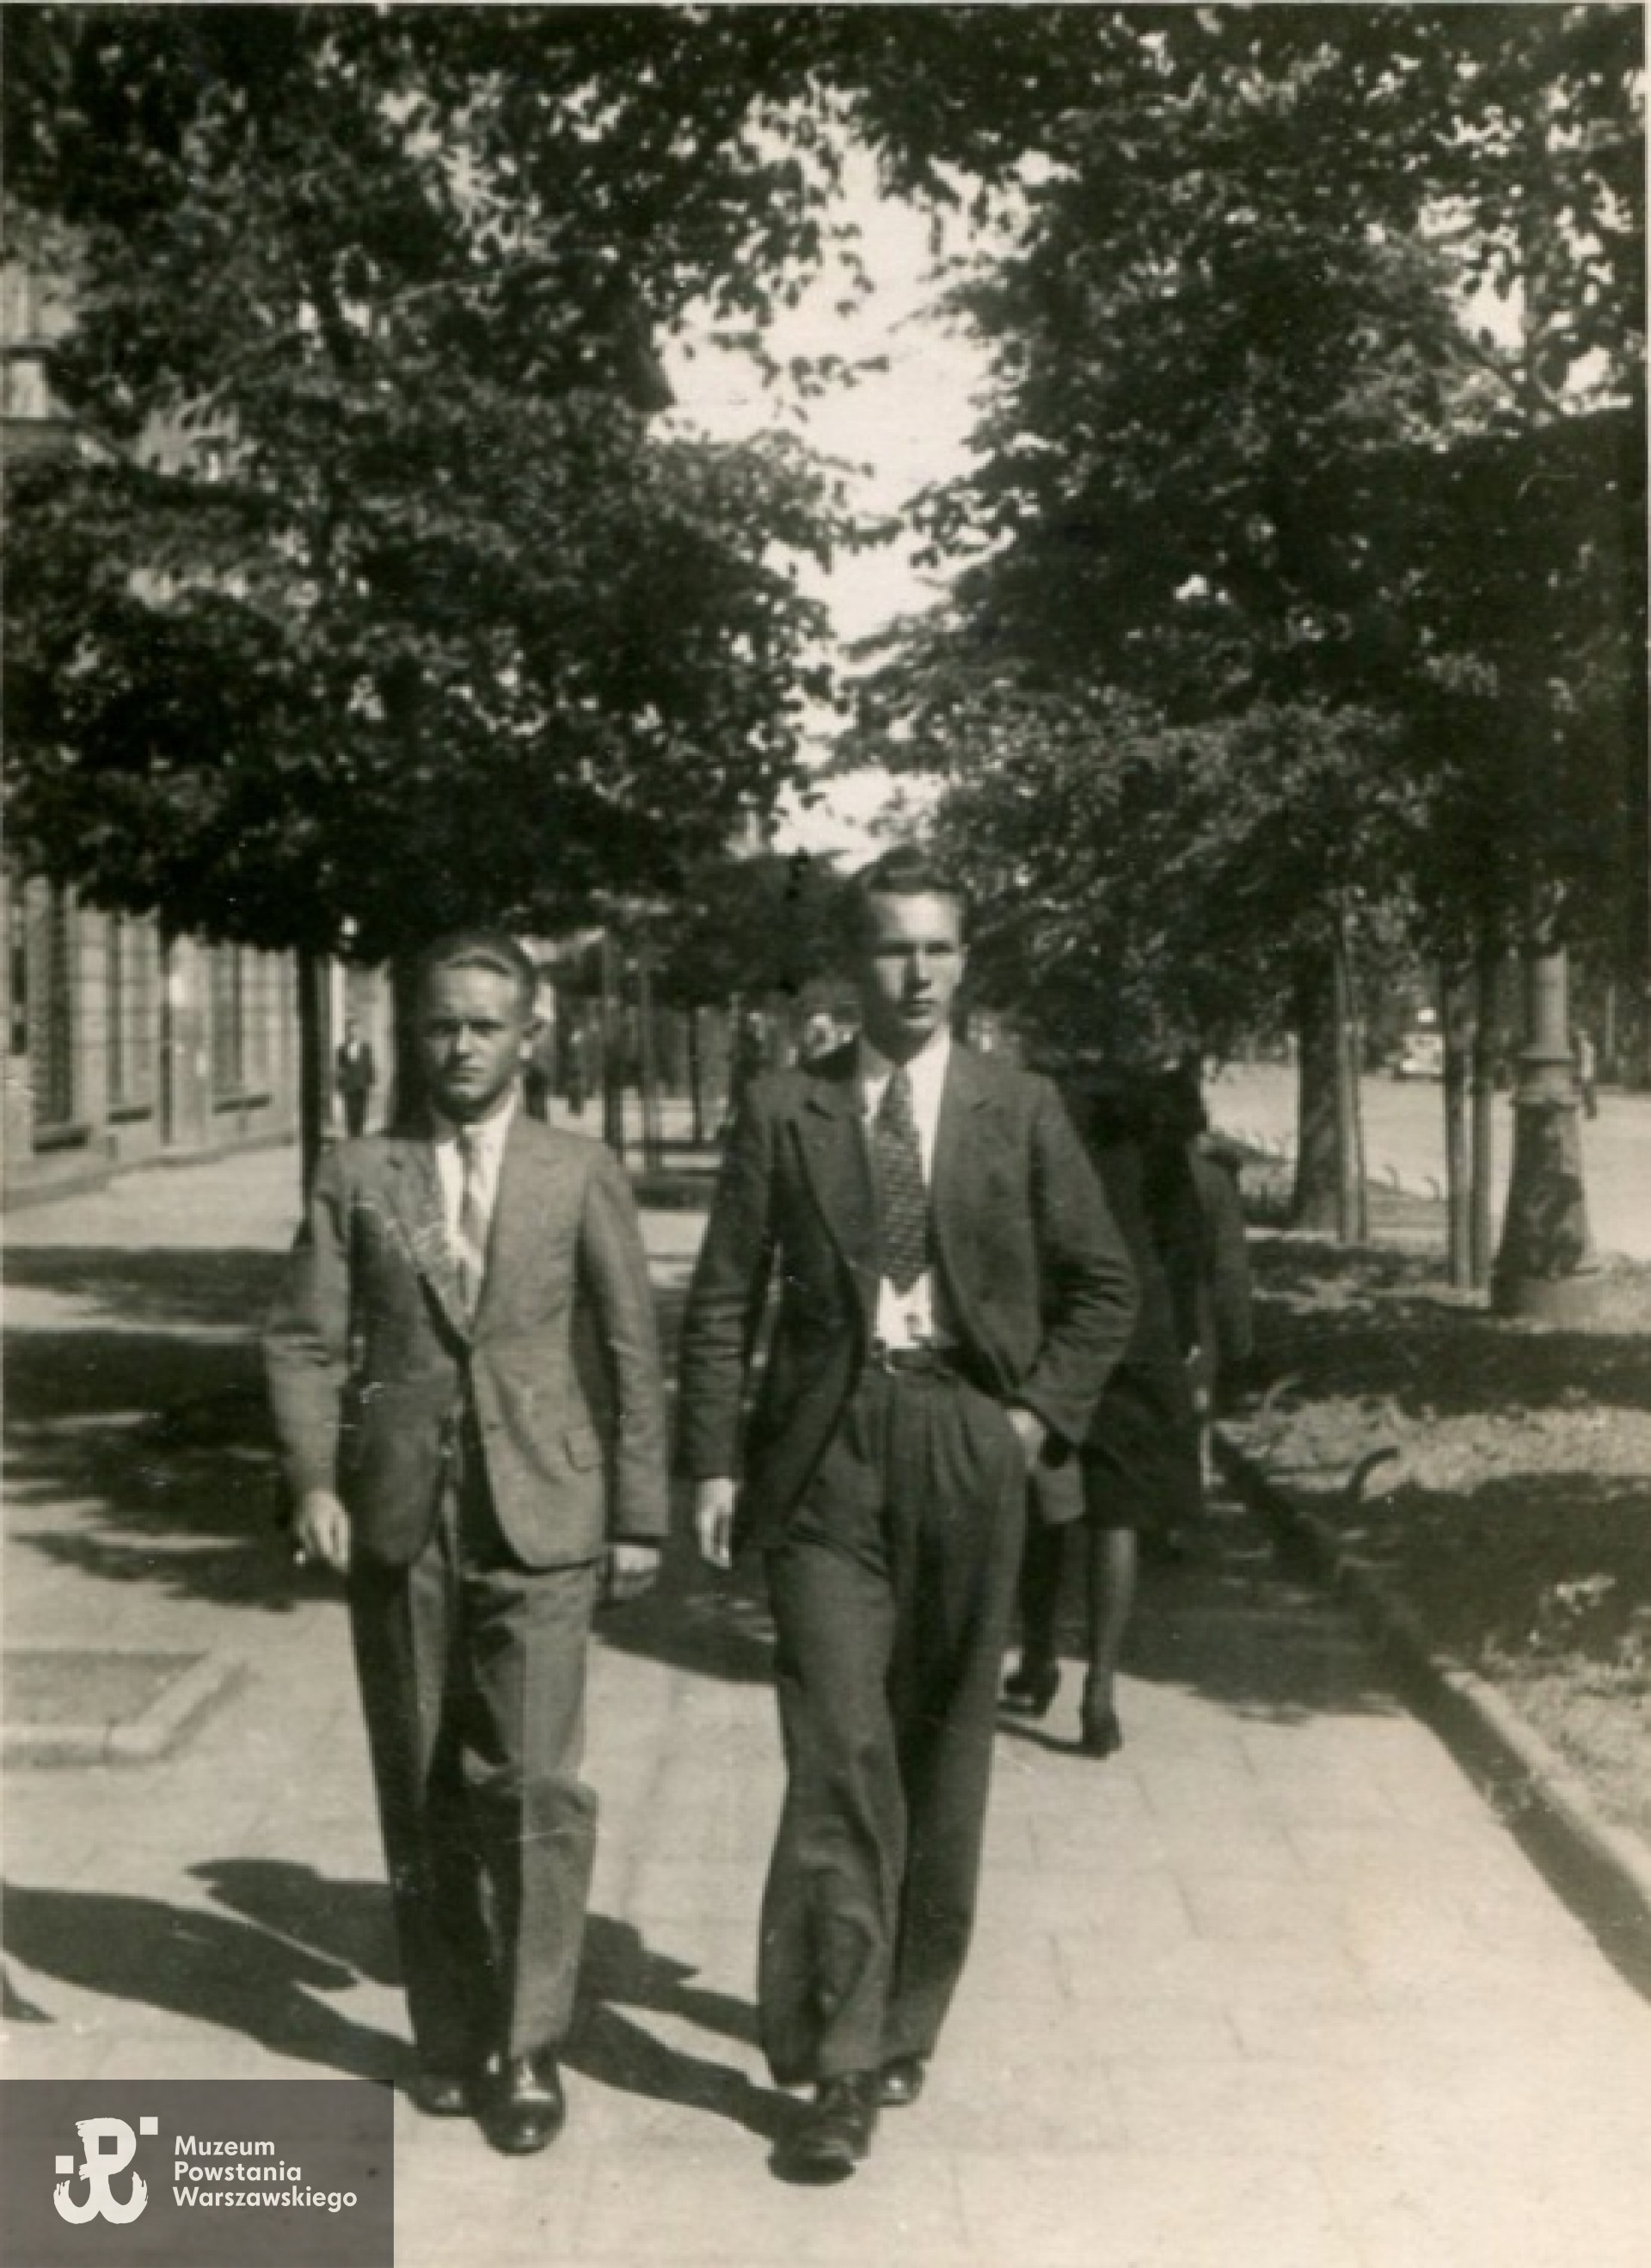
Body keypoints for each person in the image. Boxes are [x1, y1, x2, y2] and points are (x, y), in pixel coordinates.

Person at [678, 847, 1136, 2179]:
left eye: (940, 948)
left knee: (942, 1750)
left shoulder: (1019, 1105)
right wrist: (714, 1460)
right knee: (835, 1748)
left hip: (966, 1439)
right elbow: (723, 1302)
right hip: (824, 1456)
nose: (918, 973)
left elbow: (1105, 1286)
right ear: (852, 962)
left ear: (967, 959)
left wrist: (1032, 1420)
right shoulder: (787, 1109)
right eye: (892, 948)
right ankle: (836, 2064)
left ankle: (903, 2014)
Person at [265, 929, 668, 2154]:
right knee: (427, 1775)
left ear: (528, 1036)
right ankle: (449, 2030)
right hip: (400, 1515)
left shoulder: (575, 1167)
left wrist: (640, 1512)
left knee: (535, 1781)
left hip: (543, 1509)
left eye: (485, 1026)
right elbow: (303, 1340)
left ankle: (532, 2039)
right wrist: (312, 1480)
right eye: (441, 1024)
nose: (460, 1046)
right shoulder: (361, 1170)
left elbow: (629, 1343)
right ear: (414, 1033)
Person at [1003, 1073, 1202, 1756]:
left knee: (1045, 1499)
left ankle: (1036, 1657)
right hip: (1141, 1338)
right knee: (1118, 1514)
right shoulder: (1156, 1146)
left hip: (1058, 1332)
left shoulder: (1047, 1133)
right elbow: (1185, 1246)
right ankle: (1102, 1691)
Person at [334, 1017, 376, 1138]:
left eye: (355, 1029)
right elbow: (340, 1070)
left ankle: (359, 1135)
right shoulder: (341, 1050)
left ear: (359, 1031)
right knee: (350, 1112)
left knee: (361, 1112)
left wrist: (371, 1083)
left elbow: (370, 1066)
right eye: (350, 1029)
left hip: (362, 1085)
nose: (353, 1032)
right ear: (347, 1031)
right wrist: (339, 1085)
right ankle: (352, 1136)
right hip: (349, 1085)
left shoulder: (366, 1048)